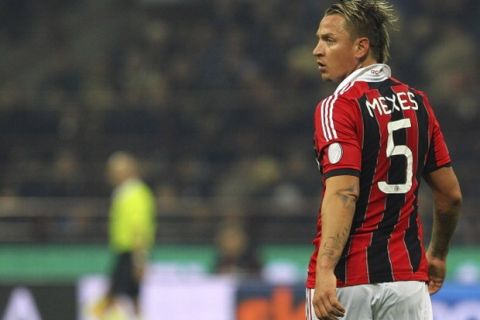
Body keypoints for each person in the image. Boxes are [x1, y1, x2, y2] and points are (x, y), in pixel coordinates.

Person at [305, 1, 462, 319]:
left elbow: (344, 193)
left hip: (348, 281)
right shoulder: (417, 102)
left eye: (329, 40)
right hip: (408, 282)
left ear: (361, 47)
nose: (316, 50)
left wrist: (324, 270)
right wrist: (438, 254)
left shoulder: (338, 106)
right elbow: (450, 195)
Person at [93, 151, 156, 320]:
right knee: (133, 294)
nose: (111, 174)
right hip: (124, 250)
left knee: (112, 294)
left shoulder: (135, 194)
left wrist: (139, 259)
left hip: (129, 252)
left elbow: (139, 227)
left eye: (114, 170)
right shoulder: (124, 193)